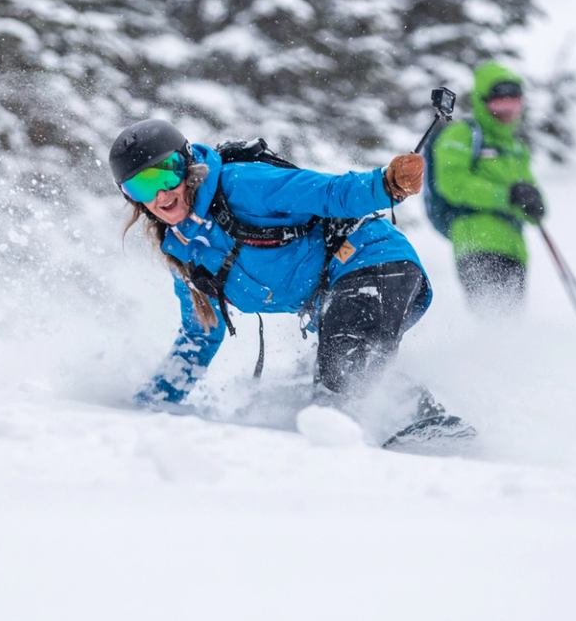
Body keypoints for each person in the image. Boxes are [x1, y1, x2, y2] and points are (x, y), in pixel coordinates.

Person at [113, 119, 466, 443]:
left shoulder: (241, 184)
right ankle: (430, 428)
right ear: (130, 197)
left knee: (339, 378)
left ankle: (407, 442)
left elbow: (327, 192)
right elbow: (200, 333)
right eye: (142, 186)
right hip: (338, 295)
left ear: (187, 166)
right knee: (320, 390)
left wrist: (386, 184)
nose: (160, 194)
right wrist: (151, 403)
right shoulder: (187, 251)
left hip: (372, 259)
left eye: (166, 174)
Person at [428, 60, 546, 312]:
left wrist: (534, 204)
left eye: (513, 103)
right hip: (476, 240)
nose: (507, 111)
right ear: (483, 102)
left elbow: (531, 205)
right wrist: (506, 196)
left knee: (510, 325)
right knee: (493, 316)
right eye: (499, 103)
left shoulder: (516, 148)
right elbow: (452, 184)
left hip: (514, 246)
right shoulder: (462, 134)